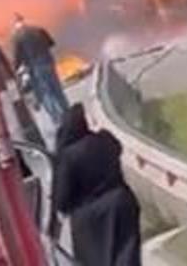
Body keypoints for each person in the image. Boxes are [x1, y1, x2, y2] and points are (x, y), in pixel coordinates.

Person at [53, 104, 142, 266]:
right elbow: (117, 148)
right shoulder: (104, 140)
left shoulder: (67, 158)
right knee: (127, 254)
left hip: (91, 219)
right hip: (120, 202)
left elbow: (61, 200)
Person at [11, 14, 70, 123]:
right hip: (48, 61)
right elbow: (51, 43)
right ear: (23, 20)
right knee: (57, 89)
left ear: (15, 24)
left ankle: (57, 119)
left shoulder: (17, 37)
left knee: (45, 93)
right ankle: (68, 113)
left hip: (35, 67)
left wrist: (15, 72)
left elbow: (17, 58)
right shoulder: (38, 29)